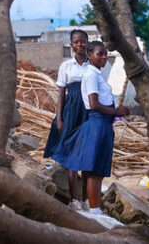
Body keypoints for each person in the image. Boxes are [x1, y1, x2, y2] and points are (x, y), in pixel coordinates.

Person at [53, 41, 129, 215]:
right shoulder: (91, 75)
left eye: (105, 53)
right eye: (99, 54)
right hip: (97, 124)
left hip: (102, 124)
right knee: (94, 171)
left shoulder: (96, 74)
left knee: (96, 170)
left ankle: (95, 208)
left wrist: (115, 113)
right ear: (90, 55)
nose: (103, 57)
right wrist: (116, 110)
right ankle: (95, 211)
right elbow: (94, 104)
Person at [43, 29, 90, 208]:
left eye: (83, 41)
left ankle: (86, 199)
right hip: (71, 112)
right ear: (71, 44)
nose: (80, 44)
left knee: (86, 155)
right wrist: (60, 118)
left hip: (88, 112)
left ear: (87, 43)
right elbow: (61, 93)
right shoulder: (66, 66)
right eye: (76, 42)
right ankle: (73, 200)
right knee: (71, 156)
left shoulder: (92, 64)